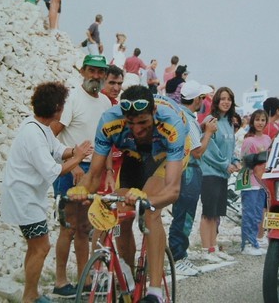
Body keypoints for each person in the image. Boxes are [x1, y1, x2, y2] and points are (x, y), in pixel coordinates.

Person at [69, 85, 190, 303]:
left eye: (143, 122)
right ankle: (127, 275)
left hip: (165, 157)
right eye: (131, 123)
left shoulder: (172, 124)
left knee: (149, 211)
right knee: (116, 207)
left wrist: (147, 199)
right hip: (133, 155)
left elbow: (172, 190)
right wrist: (82, 190)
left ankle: (155, 293)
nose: (137, 129)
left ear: (153, 113)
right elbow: (94, 175)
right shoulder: (109, 121)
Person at [1, 82, 91, 303]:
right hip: (24, 197)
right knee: (41, 247)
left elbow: (58, 150)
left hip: (31, 196)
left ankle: (30, 294)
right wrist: (78, 159)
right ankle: (29, 297)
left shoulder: (40, 126)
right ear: (57, 108)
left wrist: (74, 150)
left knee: (35, 247)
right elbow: (54, 172)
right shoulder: (33, 134)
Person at [49, 55, 111, 298]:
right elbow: (51, 135)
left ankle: (84, 280)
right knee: (68, 227)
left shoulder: (105, 102)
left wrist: (107, 171)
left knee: (85, 227)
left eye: (100, 72)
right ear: (83, 71)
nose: (96, 76)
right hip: (70, 171)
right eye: (92, 71)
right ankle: (61, 281)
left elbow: (106, 141)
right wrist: (70, 162)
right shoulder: (72, 99)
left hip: (93, 170)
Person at [168, 80, 216, 276]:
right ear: (196, 99)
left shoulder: (182, 116)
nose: (203, 101)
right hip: (189, 171)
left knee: (183, 213)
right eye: (202, 98)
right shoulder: (187, 118)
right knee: (184, 214)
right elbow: (197, 151)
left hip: (184, 170)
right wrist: (209, 133)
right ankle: (177, 257)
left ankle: (180, 255)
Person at [199, 87, 240, 262]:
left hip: (223, 175)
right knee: (208, 213)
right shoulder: (211, 120)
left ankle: (213, 248)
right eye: (222, 98)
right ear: (216, 101)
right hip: (210, 173)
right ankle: (206, 249)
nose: (226, 102)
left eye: (229, 99)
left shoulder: (230, 122)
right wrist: (225, 164)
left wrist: (235, 160)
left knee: (216, 214)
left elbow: (229, 148)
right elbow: (209, 149)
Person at [239, 109, 271, 255]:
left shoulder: (268, 139)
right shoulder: (248, 140)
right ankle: (247, 243)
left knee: (258, 213)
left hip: (262, 183)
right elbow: (245, 161)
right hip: (250, 181)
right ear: (252, 121)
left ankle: (254, 240)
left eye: (263, 120)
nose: (260, 123)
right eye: (257, 120)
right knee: (249, 213)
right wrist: (259, 156)